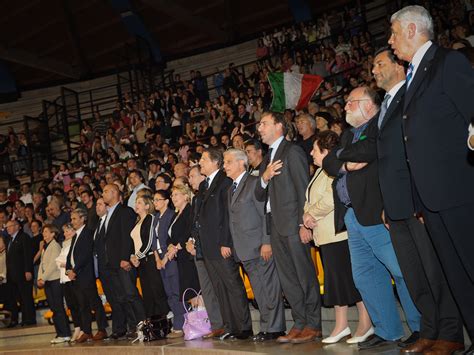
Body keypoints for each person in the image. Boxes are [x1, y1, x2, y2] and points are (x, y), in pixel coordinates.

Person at [389, 6, 474, 354]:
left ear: (412, 29)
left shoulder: (446, 62)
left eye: (394, 33)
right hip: (430, 196)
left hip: (458, 189)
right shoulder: (413, 72)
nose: (391, 41)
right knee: (456, 276)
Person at [373, 46, 464, 353]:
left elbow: (414, 153)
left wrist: (416, 195)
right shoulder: (385, 104)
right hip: (395, 203)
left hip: (417, 198)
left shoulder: (410, 97)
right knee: (414, 275)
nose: (374, 70)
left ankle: (450, 332)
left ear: (399, 67)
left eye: (380, 63)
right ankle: (429, 329)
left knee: (434, 269)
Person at [323, 86, 420, 350]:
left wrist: (342, 158)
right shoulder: (346, 134)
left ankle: (421, 327)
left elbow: (369, 150)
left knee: (400, 272)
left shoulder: (380, 124)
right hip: (352, 216)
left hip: (376, 212)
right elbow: (328, 162)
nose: (345, 107)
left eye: (350, 102)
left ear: (368, 105)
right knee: (366, 276)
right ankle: (387, 330)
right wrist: (344, 161)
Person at [255, 111, 322, 344]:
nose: (259, 128)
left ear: (279, 126)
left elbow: (303, 188)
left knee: (304, 275)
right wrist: (264, 177)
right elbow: (258, 193)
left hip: (294, 224)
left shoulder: (292, 151)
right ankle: (300, 322)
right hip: (275, 225)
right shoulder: (268, 157)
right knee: (288, 279)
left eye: (264, 123)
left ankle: (313, 324)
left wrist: (304, 223)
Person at [303, 131, 372, 344]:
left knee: (350, 281)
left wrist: (311, 214)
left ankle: (366, 323)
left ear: (326, 151)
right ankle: (342, 325)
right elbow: (309, 199)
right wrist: (307, 215)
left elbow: (332, 199)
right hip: (324, 235)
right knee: (336, 283)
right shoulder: (320, 171)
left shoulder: (332, 171)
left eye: (315, 150)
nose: (312, 154)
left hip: (337, 233)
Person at [223, 148, 286, 342]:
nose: (224, 166)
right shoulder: (230, 188)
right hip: (244, 248)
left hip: (259, 246)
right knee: (259, 290)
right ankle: (267, 327)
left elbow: (264, 213)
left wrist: (267, 241)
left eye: (228, 162)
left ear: (241, 163)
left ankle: (275, 328)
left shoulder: (253, 183)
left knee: (269, 287)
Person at [197, 148, 252, 340]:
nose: (200, 162)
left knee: (232, 285)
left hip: (222, 244)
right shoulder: (204, 185)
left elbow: (228, 214)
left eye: (203, 159)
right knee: (219, 287)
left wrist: (226, 242)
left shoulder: (224, 181)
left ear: (215, 162)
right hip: (208, 246)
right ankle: (229, 325)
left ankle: (244, 327)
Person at [101, 184, 145, 339]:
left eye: (106, 191)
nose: (103, 193)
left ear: (114, 193)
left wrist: (125, 258)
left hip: (123, 262)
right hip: (112, 264)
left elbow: (127, 237)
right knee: (121, 297)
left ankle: (143, 325)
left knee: (131, 294)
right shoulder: (108, 214)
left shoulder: (125, 211)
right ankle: (132, 327)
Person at [186, 165, 225, 338]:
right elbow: (195, 224)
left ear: (203, 177)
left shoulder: (210, 195)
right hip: (198, 249)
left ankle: (226, 322)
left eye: (193, 176)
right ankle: (216, 324)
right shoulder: (196, 198)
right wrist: (191, 241)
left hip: (212, 247)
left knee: (218, 286)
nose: (190, 180)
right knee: (207, 289)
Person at [66, 208, 108, 343]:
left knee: (94, 302)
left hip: (85, 274)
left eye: (74, 218)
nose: (72, 221)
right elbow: (70, 255)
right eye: (71, 219)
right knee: (82, 304)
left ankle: (102, 329)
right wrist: (68, 268)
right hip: (76, 276)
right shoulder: (76, 235)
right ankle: (87, 331)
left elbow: (85, 255)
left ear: (82, 219)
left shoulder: (88, 233)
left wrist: (75, 270)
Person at [166, 185, 201, 338]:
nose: (174, 198)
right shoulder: (175, 215)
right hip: (180, 257)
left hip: (187, 255)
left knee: (193, 289)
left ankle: (202, 324)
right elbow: (169, 235)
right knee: (188, 291)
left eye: (177, 195)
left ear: (186, 196)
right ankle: (197, 324)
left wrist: (177, 246)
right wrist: (170, 246)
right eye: (172, 195)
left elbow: (189, 230)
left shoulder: (189, 211)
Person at [129, 196, 169, 325]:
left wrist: (137, 256)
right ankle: (154, 325)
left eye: (140, 202)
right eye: (136, 202)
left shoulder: (150, 218)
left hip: (150, 258)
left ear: (147, 206)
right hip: (141, 262)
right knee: (147, 295)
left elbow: (149, 241)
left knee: (157, 291)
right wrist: (132, 257)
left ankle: (166, 323)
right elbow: (134, 243)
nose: (136, 204)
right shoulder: (137, 221)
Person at [152, 190, 186, 337]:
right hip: (160, 259)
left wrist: (165, 258)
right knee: (168, 293)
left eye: (158, 200)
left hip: (171, 257)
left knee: (175, 291)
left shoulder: (171, 215)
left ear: (166, 201)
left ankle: (181, 324)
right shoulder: (155, 218)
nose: (155, 203)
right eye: (154, 200)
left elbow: (170, 239)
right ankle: (179, 323)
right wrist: (157, 259)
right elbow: (153, 241)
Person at [38, 224, 71, 343]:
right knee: (53, 308)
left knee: (58, 307)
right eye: (43, 232)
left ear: (53, 234)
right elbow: (42, 264)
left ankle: (65, 333)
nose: (44, 234)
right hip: (47, 280)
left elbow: (53, 265)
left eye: (46, 231)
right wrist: (39, 278)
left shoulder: (55, 246)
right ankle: (59, 333)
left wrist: (43, 278)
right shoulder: (45, 247)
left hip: (54, 280)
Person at [4, 219, 36, 327]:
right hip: (13, 275)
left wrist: (28, 270)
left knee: (26, 296)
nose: (7, 229)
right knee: (19, 298)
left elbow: (28, 255)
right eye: (6, 227)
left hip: (23, 273)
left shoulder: (24, 237)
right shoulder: (9, 240)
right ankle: (24, 318)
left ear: (17, 226)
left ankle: (30, 318)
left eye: (10, 226)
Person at [57, 223, 82, 342]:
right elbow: (59, 262)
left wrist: (62, 263)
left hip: (72, 278)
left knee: (77, 304)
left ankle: (82, 328)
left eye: (67, 231)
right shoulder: (64, 245)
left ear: (73, 231)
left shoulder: (74, 243)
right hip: (64, 279)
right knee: (71, 305)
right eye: (64, 232)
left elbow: (67, 262)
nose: (65, 234)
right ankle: (77, 327)